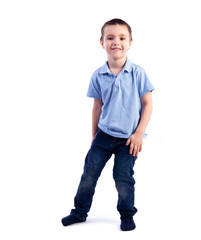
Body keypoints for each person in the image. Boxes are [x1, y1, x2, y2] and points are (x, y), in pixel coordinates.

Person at [61, 18, 154, 231]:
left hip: (128, 139)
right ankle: (79, 212)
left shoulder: (138, 74)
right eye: (110, 37)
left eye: (122, 38)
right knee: (88, 175)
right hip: (103, 136)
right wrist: (94, 136)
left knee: (123, 178)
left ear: (130, 42)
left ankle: (127, 214)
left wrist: (139, 133)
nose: (116, 42)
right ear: (102, 43)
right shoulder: (98, 75)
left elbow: (148, 104)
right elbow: (97, 107)